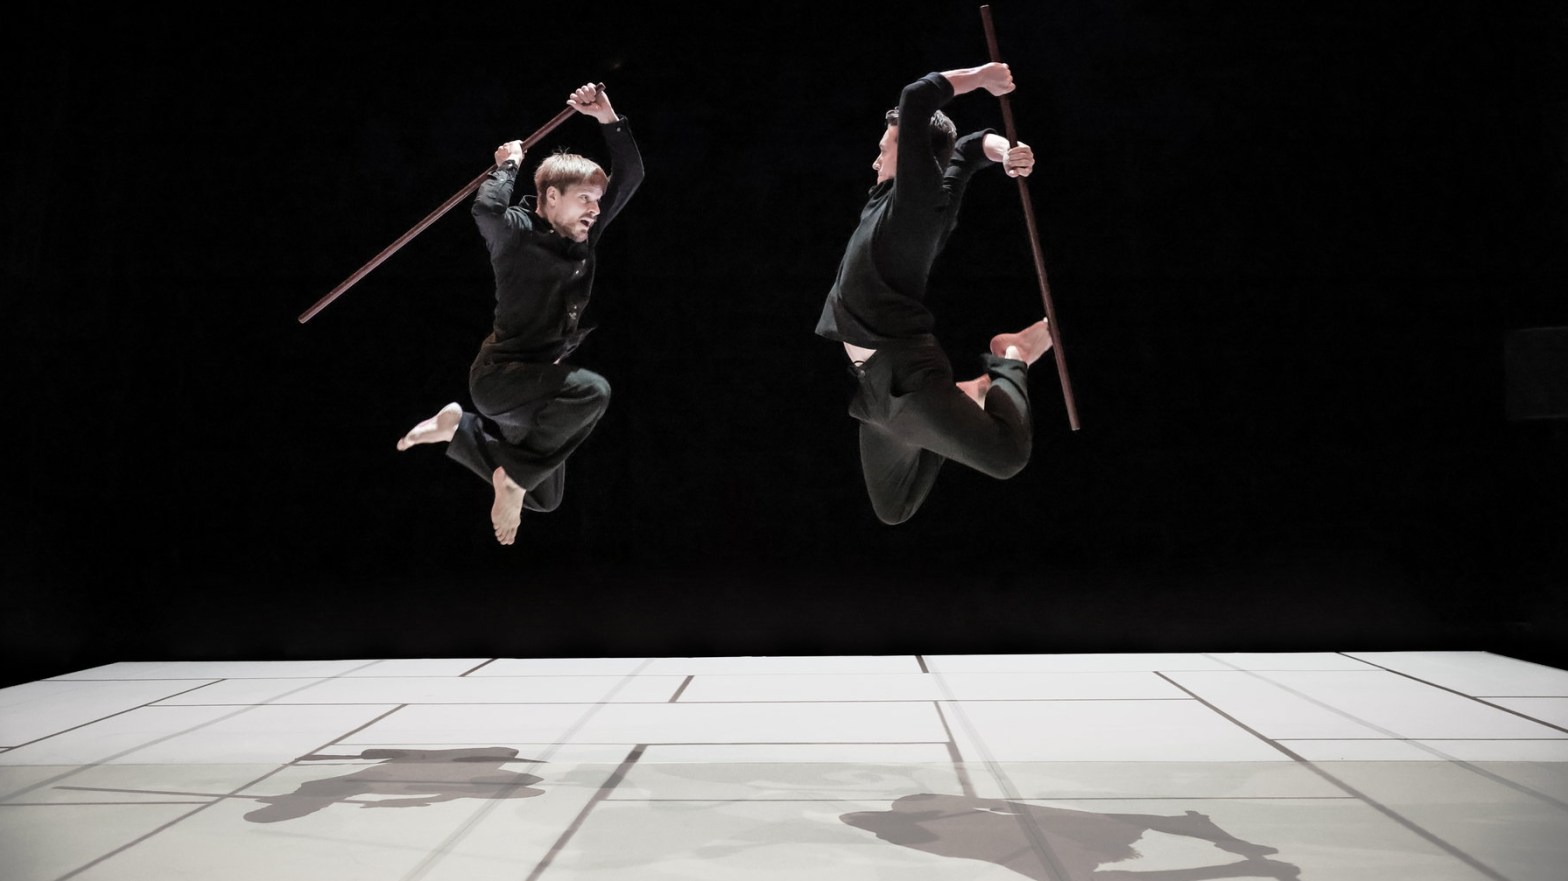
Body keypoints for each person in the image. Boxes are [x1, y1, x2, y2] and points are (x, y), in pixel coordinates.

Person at [397, 83, 643, 545]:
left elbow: (630, 175)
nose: (596, 209)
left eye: (597, 200)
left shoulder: (583, 234)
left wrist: (607, 118)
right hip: (501, 380)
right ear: (551, 197)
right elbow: (486, 210)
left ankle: (460, 431)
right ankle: (509, 477)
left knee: (545, 497)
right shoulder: (516, 233)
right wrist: (507, 166)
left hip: (536, 389)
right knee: (593, 391)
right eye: (585, 198)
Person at [815, 62, 1053, 525]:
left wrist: (982, 77)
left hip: (907, 376)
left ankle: (1012, 356)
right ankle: (967, 396)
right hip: (875, 390)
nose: (875, 161)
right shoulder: (891, 201)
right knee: (894, 508)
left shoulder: (916, 204)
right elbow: (968, 149)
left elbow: (916, 98)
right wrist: (1005, 151)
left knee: (1006, 457)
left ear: (913, 156)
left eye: (884, 150)